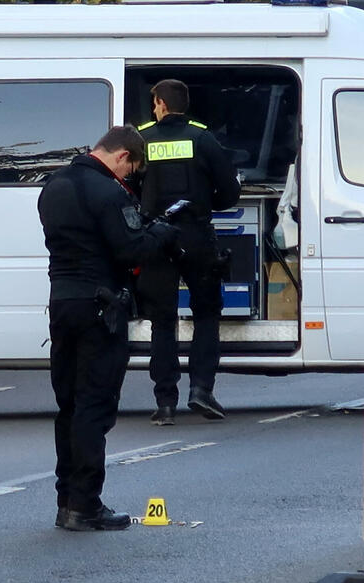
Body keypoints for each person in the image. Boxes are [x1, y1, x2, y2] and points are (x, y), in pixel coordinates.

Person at [38, 125, 178, 531]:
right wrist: (161, 234)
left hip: (62, 303)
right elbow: (131, 248)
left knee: (68, 406)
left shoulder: (53, 187)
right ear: (122, 156)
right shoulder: (108, 192)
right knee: (93, 407)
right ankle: (86, 505)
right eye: (131, 169)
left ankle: (66, 501)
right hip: (101, 307)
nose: (129, 177)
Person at [137, 79, 241, 426]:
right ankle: (201, 390)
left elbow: (127, 188)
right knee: (207, 315)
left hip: (155, 238)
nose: (154, 109)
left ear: (162, 105)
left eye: (155, 103)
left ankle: (165, 402)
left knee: (162, 322)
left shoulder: (143, 139)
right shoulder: (202, 138)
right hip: (196, 236)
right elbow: (229, 191)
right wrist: (206, 203)